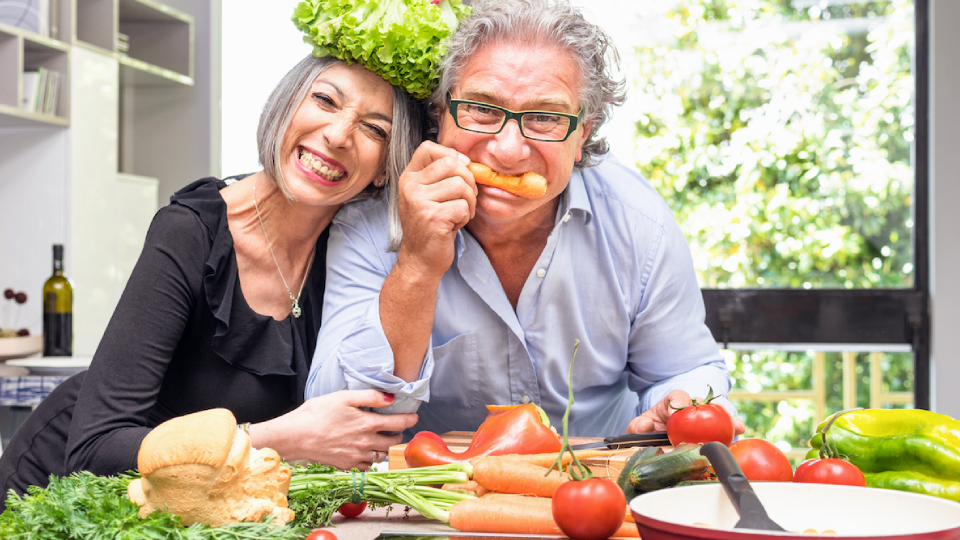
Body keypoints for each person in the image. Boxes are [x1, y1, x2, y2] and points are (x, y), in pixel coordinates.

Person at [307, 0, 748, 439]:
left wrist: (678, 405)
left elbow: (683, 370)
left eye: (544, 118)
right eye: (482, 109)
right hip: (436, 494)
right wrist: (417, 265)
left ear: (583, 134)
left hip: (599, 488)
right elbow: (335, 414)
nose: (508, 150)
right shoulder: (371, 222)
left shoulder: (639, 224)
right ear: (440, 114)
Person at [0, 54, 425, 508]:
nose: (339, 135)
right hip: (61, 502)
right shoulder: (190, 231)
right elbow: (95, 451)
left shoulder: (356, 258)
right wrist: (278, 438)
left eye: (375, 129)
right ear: (286, 107)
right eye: (324, 100)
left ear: (386, 167)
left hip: (198, 515)